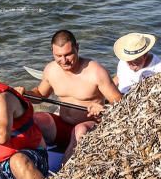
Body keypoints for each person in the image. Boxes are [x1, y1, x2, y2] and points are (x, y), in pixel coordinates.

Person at [21, 30, 122, 162]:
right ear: (52, 51)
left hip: (89, 127)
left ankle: (64, 175)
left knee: (79, 130)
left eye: (68, 54)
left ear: (77, 48)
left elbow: (120, 103)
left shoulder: (96, 71)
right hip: (63, 126)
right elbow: (40, 95)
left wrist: (103, 109)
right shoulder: (50, 70)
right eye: (59, 56)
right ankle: (30, 161)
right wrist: (24, 94)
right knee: (35, 119)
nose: (64, 61)